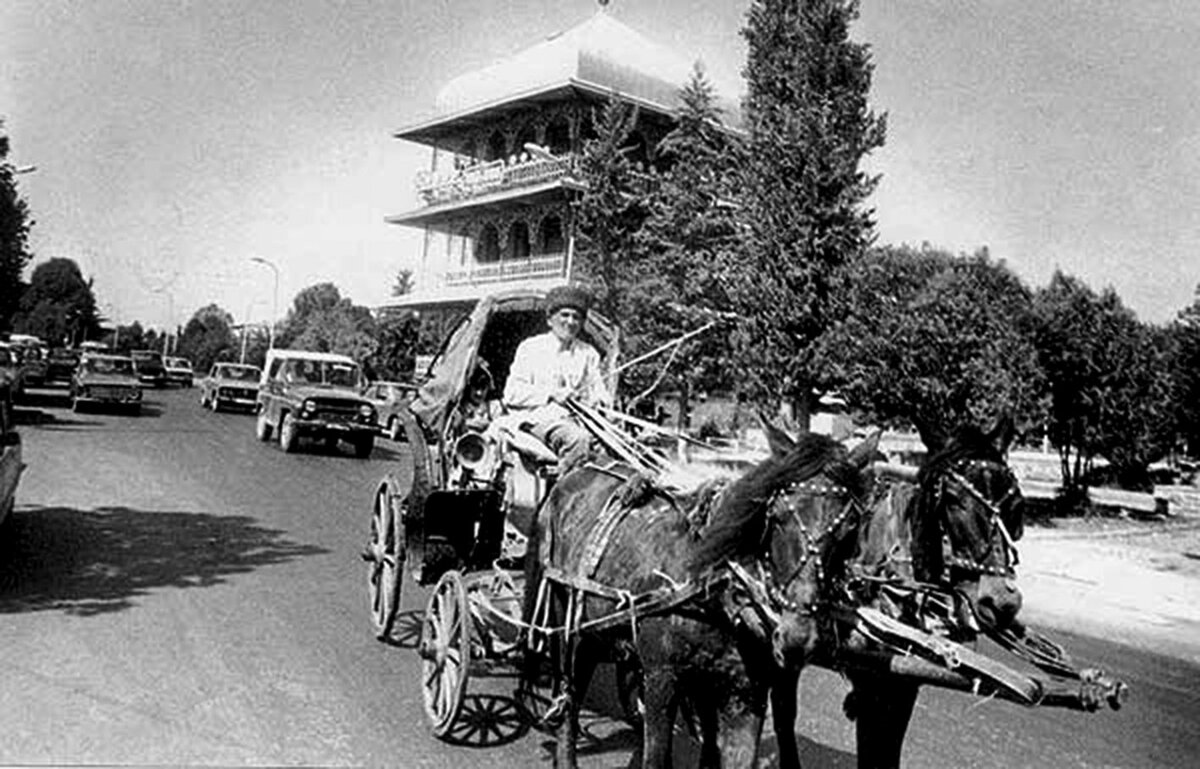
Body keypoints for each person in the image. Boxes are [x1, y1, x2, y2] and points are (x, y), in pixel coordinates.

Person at [503, 284, 611, 473]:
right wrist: (551, 394)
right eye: (565, 315)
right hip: (539, 420)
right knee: (577, 439)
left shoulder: (588, 353)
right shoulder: (531, 348)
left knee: (615, 445)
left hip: (579, 420)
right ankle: (563, 494)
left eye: (576, 317)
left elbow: (598, 392)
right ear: (550, 320)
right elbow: (511, 394)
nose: (570, 322)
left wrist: (597, 402)